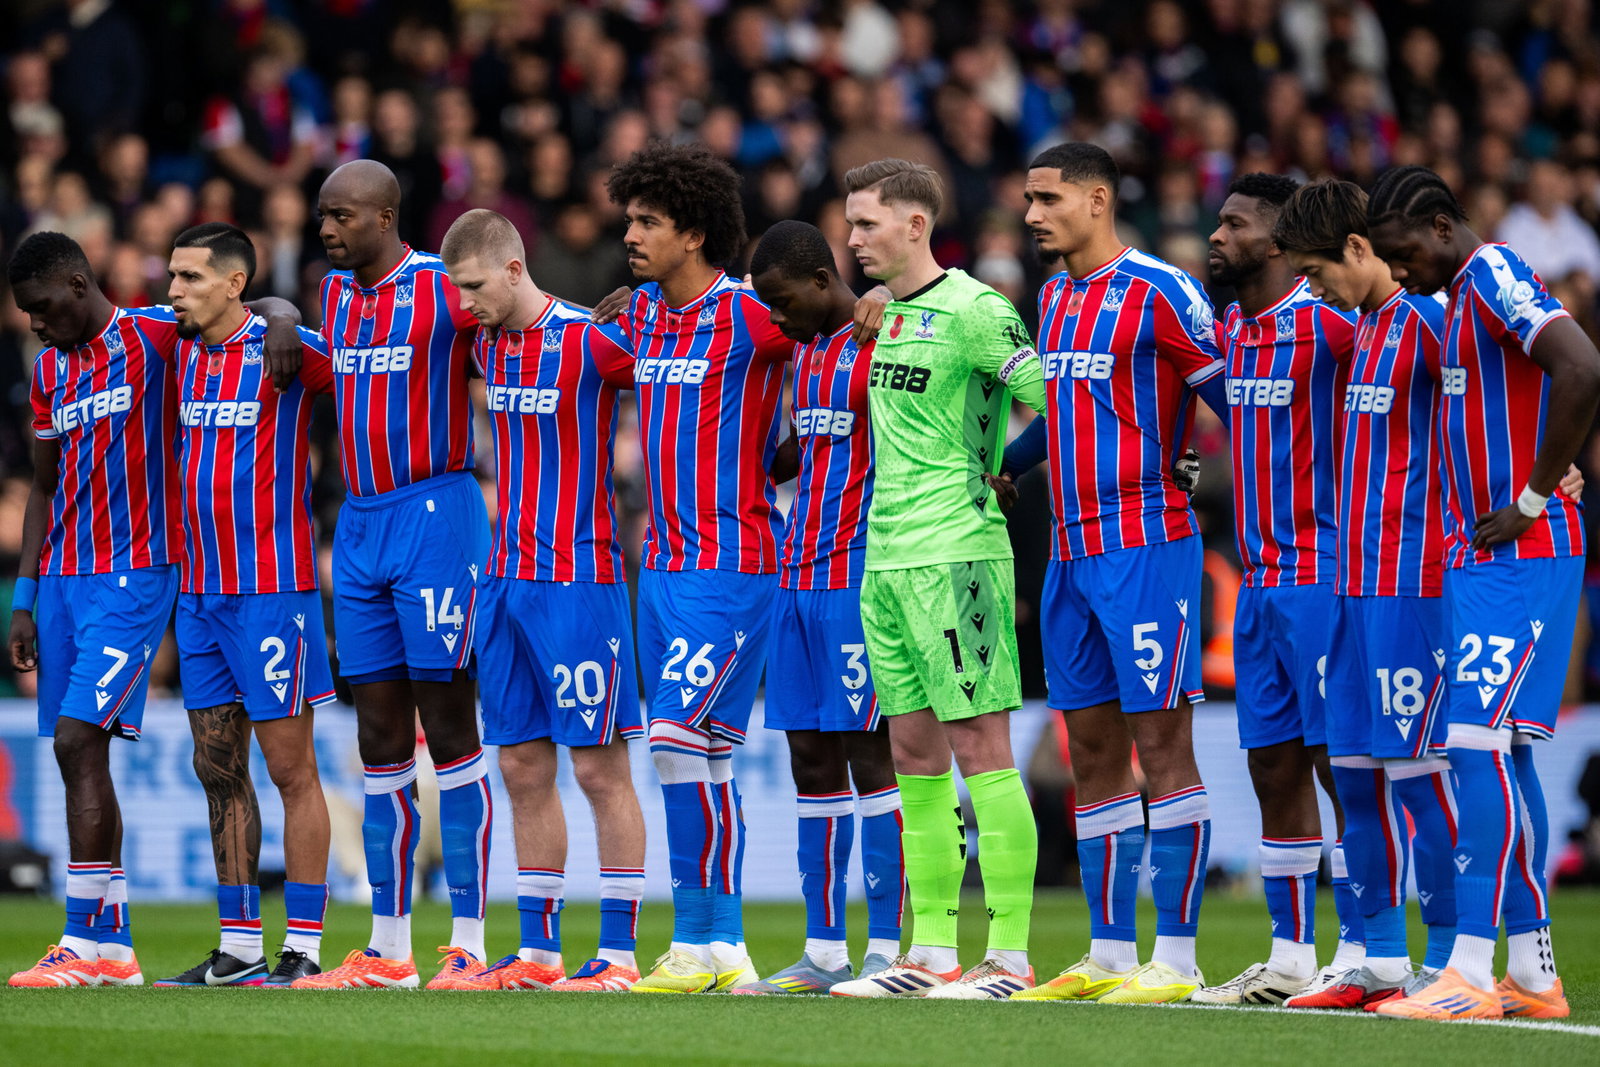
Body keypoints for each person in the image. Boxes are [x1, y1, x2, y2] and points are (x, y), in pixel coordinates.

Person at [7, 231, 298, 990]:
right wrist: (25, 597)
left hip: (136, 573)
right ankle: (114, 945)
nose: (36, 324)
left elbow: (245, 307)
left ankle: (78, 937)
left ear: (77, 284)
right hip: (64, 580)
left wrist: (289, 313)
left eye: (42, 308)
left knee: (76, 741)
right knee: (82, 754)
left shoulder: (153, 335)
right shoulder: (47, 371)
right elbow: (42, 487)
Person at [1367, 166, 1600, 1021]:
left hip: (1522, 551)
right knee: (1507, 751)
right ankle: (1534, 975)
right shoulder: (1459, 298)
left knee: (1472, 746)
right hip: (1494, 559)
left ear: (1437, 227)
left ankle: (1467, 966)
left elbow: (1581, 365)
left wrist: (1535, 494)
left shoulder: (1495, 272)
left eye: (1402, 254)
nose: (1399, 274)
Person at [1003, 143, 1227, 1005]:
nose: (1031, 215)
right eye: (1028, 199)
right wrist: (1014, 466)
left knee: (1161, 745)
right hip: (1069, 552)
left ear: (1097, 199)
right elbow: (1063, 414)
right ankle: (1106, 950)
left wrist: (1204, 472)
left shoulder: (1163, 290)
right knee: (1090, 747)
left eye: (1046, 198)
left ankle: (1176, 956)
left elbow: (1236, 398)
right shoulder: (1056, 296)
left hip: (1146, 551)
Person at [826, 159, 1045, 1001]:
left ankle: (1012, 956)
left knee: (982, 750)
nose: (853, 238)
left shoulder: (979, 311)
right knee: (913, 754)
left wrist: (1008, 470)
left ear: (915, 225)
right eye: (850, 223)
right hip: (883, 557)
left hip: (957, 553)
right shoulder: (881, 316)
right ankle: (931, 952)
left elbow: (1059, 400)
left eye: (868, 223)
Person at [286, 160, 494, 990]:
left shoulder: (445, 288)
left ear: (384, 216)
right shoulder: (334, 299)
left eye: (340, 216)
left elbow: (521, 319)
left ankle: (471, 937)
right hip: (362, 523)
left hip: (437, 515)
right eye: (321, 216)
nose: (327, 229)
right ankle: (389, 945)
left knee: (449, 730)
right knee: (377, 740)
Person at [437, 208, 649, 993]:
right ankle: (538, 953)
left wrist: (647, 306)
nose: (466, 304)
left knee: (599, 769)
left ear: (516, 268)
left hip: (579, 582)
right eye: (456, 290)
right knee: (523, 766)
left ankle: (621, 957)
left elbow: (680, 377)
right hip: (503, 582)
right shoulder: (484, 342)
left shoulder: (593, 340)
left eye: (475, 286)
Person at [601, 141, 793, 994]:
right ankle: (724, 949)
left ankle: (692, 939)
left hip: (737, 558)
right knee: (705, 753)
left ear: (696, 232)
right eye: (630, 219)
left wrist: (781, 463)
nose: (632, 234)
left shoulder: (757, 317)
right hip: (664, 563)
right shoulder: (637, 316)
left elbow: (840, 358)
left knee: (677, 742)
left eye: (649, 221)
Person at [151, 222, 337, 989]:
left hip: (272, 593)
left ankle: (305, 948)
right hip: (198, 597)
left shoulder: (289, 353)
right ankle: (238, 948)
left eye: (189, 277)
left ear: (229, 284)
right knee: (216, 767)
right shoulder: (179, 344)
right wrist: (279, 301)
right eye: (171, 275)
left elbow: (364, 380)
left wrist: (287, 315)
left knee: (292, 770)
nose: (172, 291)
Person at [1191, 174, 1362, 1005]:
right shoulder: (1232, 327)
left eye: (1235, 223)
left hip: (1324, 577)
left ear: (1281, 242)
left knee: (1342, 766)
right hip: (1257, 584)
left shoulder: (1332, 323)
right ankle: (1292, 953)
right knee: (1273, 766)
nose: (1217, 234)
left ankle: (1368, 946)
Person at [737, 220, 904, 994]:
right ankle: (824, 949)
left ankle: (892, 946)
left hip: (862, 577)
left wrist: (889, 295)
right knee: (810, 759)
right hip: (796, 573)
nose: (773, 317)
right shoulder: (804, 351)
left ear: (818, 281)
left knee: (873, 757)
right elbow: (814, 444)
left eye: (779, 301)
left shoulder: (886, 336)